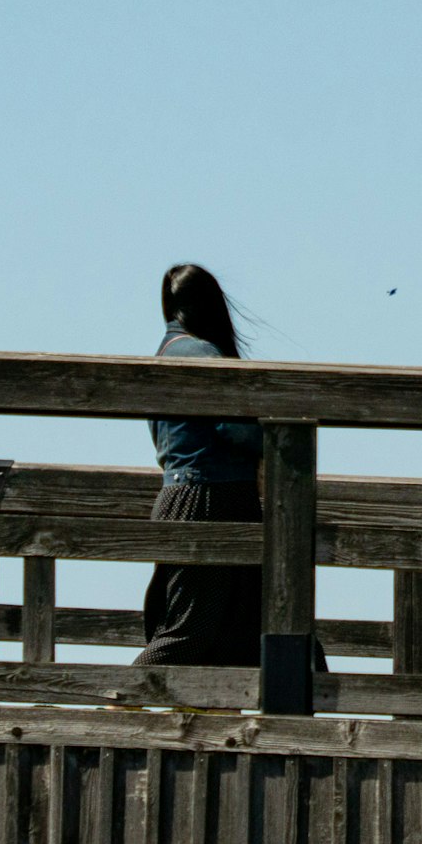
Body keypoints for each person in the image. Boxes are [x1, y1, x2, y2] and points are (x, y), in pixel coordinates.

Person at [132, 262, 264, 668]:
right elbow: (237, 429)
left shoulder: (163, 354)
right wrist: (272, 434)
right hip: (215, 498)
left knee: (221, 627)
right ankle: (111, 703)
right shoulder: (204, 353)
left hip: (178, 496)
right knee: (198, 630)